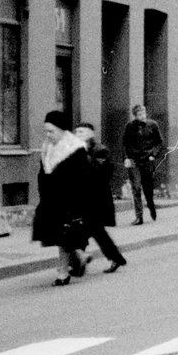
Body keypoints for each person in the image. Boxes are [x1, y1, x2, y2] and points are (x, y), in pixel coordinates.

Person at [31, 110, 91, 286]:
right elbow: (43, 174)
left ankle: (64, 271)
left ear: (63, 130)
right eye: (46, 131)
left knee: (63, 235)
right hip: (51, 200)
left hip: (71, 200)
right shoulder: (47, 148)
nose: (48, 135)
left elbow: (82, 179)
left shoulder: (74, 149)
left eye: (51, 131)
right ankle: (76, 258)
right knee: (60, 236)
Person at [74, 122, 128, 274]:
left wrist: (83, 155)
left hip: (97, 199)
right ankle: (114, 258)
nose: (78, 134)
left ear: (91, 134)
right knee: (94, 231)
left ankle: (78, 263)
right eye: (77, 132)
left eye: (82, 132)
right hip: (83, 199)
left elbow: (98, 175)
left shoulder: (100, 150)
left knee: (87, 231)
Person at [122, 103, 164, 225]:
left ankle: (151, 206)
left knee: (147, 188)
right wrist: (126, 158)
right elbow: (125, 143)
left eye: (144, 113)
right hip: (134, 161)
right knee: (136, 187)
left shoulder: (153, 125)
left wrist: (153, 155)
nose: (142, 116)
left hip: (147, 160)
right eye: (139, 114)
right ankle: (139, 217)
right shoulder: (129, 126)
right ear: (135, 116)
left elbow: (159, 142)